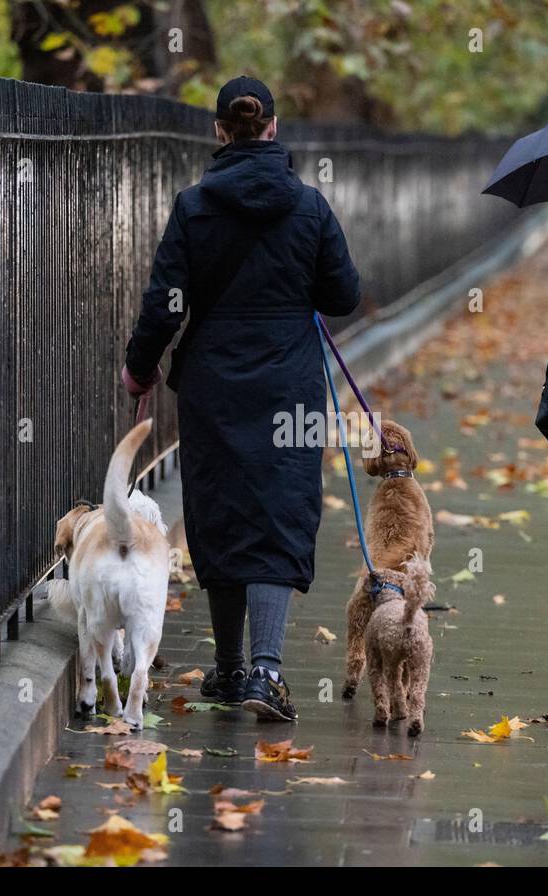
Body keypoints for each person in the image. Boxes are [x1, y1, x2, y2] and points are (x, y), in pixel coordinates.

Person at [121, 76, 361, 721]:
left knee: (219, 509)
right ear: (274, 129)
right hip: (290, 383)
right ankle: (265, 672)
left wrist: (139, 367)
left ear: (220, 131)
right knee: (280, 508)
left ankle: (227, 671)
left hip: (214, 383)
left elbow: (165, 302)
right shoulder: (309, 207)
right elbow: (343, 296)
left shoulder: (195, 207)